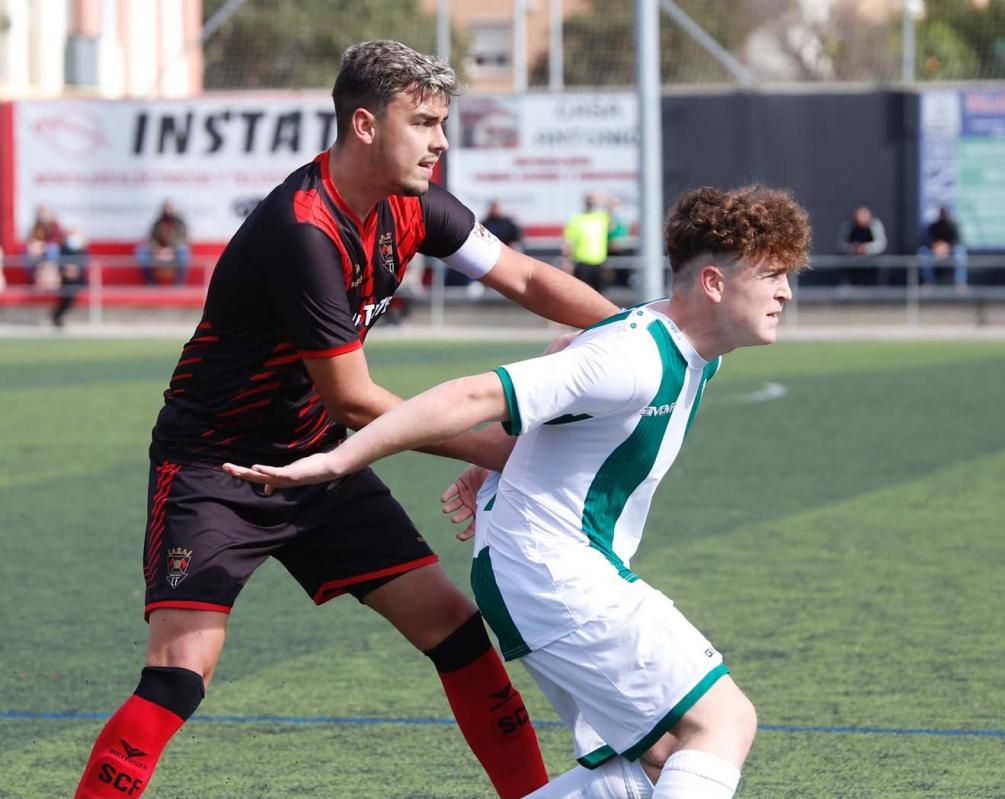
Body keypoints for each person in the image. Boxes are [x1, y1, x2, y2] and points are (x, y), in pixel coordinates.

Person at [73, 40, 618, 799]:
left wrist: (640, 335)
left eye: (442, 122)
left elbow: (524, 275)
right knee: (180, 671)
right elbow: (355, 399)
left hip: (321, 459)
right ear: (364, 124)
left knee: (455, 630)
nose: (441, 141)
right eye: (424, 121)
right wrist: (504, 452)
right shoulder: (302, 229)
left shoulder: (414, 204)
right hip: (217, 465)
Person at [223, 184, 813, 799]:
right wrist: (335, 461)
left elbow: (570, 356)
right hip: (552, 571)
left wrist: (515, 453)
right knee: (722, 722)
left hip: (536, 569)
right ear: (714, 284)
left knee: (652, 765)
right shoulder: (636, 357)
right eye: (772, 275)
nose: (786, 293)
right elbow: (470, 395)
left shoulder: (681, 340)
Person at [562, 192, 612, 293]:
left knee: (602, 295)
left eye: (593, 200)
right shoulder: (576, 219)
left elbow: (612, 214)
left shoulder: (601, 218)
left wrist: (602, 199)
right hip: (582, 263)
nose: (591, 203)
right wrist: (567, 262)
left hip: (599, 262)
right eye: (589, 200)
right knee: (583, 293)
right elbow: (568, 243)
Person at [136, 201, 191, 286]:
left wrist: (171, 250)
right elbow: (151, 239)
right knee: (141, 254)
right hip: (159, 250)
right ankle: (151, 283)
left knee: (183, 254)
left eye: (169, 209)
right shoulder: (157, 222)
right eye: (165, 209)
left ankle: (178, 285)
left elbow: (183, 239)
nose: (167, 212)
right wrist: (158, 250)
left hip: (175, 250)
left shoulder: (179, 223)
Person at [917, 206, 968, 289]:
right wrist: (936, 247)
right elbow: (927, 241)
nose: (943, 217)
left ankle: (960, 282)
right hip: (935, 252)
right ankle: (929, 281)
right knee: (923, 252)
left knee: (960, 251)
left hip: (950, 252)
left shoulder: (953, 225)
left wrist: (947, 248)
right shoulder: (933, 226)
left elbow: (957, 240)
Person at [835, 205, 887, 286]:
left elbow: (881, 244)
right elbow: (841, 245)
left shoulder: (875, 225)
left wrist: (866, 248)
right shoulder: (849, 226)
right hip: (852, 268)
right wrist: (854, 248)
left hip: (872, 267)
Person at [25, 204, 65, 281]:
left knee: (52, 250)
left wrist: (44, 247)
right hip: (38, 251)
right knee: (27, 253)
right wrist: (36, 247)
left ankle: (50, 272)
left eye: (46, 214)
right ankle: (35, 275)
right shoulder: (35, 227)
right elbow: (31, 240)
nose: (44, 216)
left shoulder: (56, 226)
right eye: (42, 214)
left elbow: (58, 241)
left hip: (51, 251)